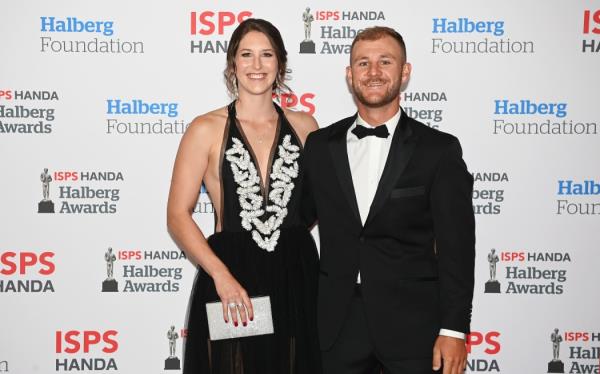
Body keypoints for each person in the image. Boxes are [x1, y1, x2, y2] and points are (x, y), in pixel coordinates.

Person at [302, 26, 476, 374]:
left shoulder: (438, 151)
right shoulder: (320, 146)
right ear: (350, 76)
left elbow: (457, 248)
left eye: (385, 61)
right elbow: (294, 222)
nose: (374, 72)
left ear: (405, 71)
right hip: (336, 328)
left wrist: (454, 329)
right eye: (363, 63)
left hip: (415, 329)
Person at [167, 18, 321, 374]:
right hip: (230, 275)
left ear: (280, 64)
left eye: (267, 55)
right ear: (232, 64)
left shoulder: (307, 126)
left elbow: (319, 203)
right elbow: (177, 214)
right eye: (246, 55)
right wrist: (220, 275)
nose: (256, 65)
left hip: (295, 276)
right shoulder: (204, 129)